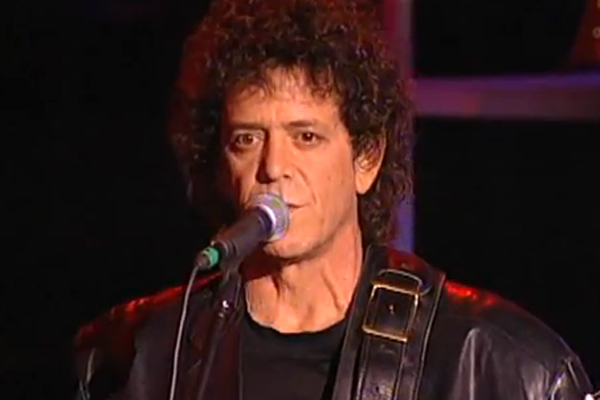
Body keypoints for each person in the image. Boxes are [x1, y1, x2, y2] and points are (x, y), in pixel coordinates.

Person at [73, 0, 595, 399]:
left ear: (366, 159)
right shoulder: (131, 355)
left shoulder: (499, 364)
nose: (273, 166)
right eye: (247, 139)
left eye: (306, 137)